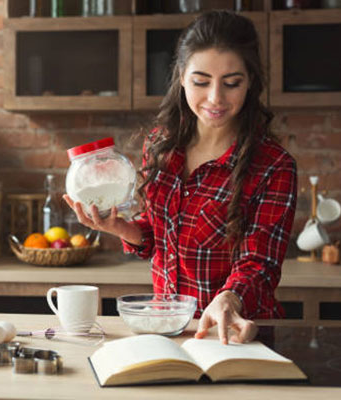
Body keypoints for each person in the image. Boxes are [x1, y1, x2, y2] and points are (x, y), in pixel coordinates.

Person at [64, 11, 297, 345]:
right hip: (170, 332)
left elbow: (260, 263)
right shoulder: (161, 146)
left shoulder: (273, 165)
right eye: (201, 81)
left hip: (237, 335)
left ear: (251, 83)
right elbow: (157, 234)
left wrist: (229, 297)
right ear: (182, 77)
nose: (216, 98)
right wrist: (120, 228)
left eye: (232, 83)